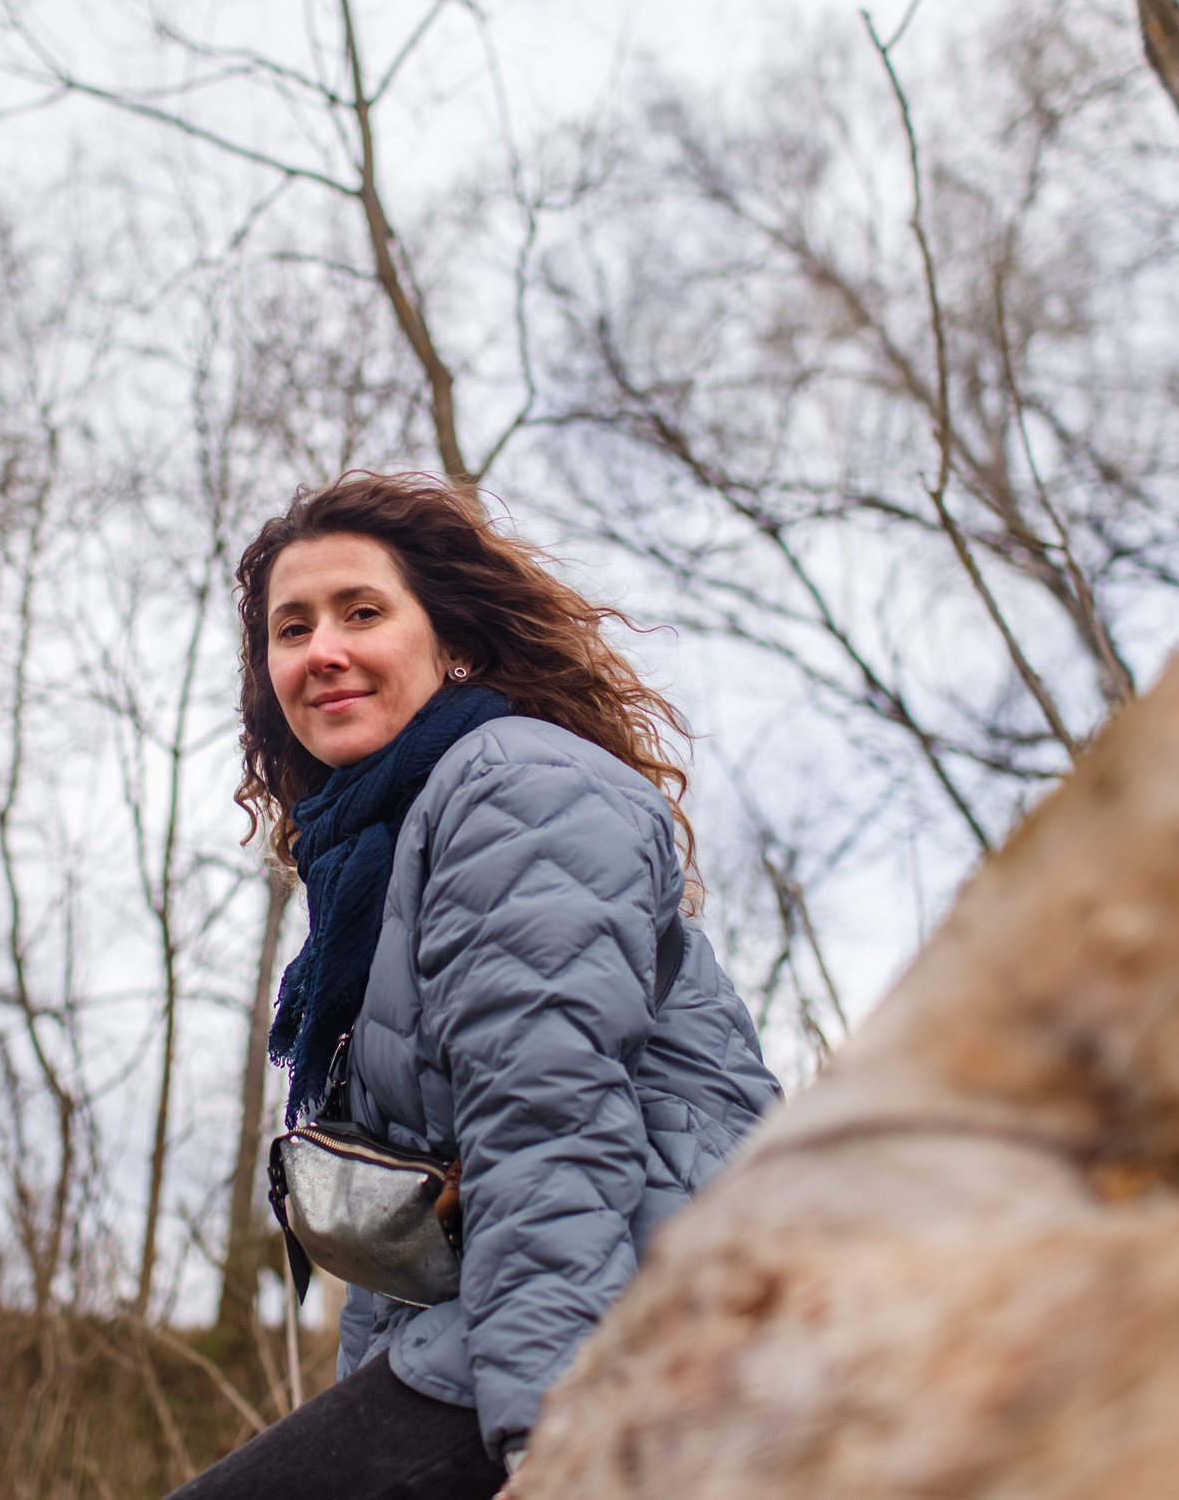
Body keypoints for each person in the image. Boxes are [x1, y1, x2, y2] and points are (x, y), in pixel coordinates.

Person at [170, 472, 778, 1499]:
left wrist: (551, 1431)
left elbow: (548, 1120)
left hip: (646, 1316)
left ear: (452, 645)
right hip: (513, 1325)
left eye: (362, 612)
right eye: (291, 628)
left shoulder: (515, 789)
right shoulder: (378, 857)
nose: (323, 650)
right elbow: (420, 1219)